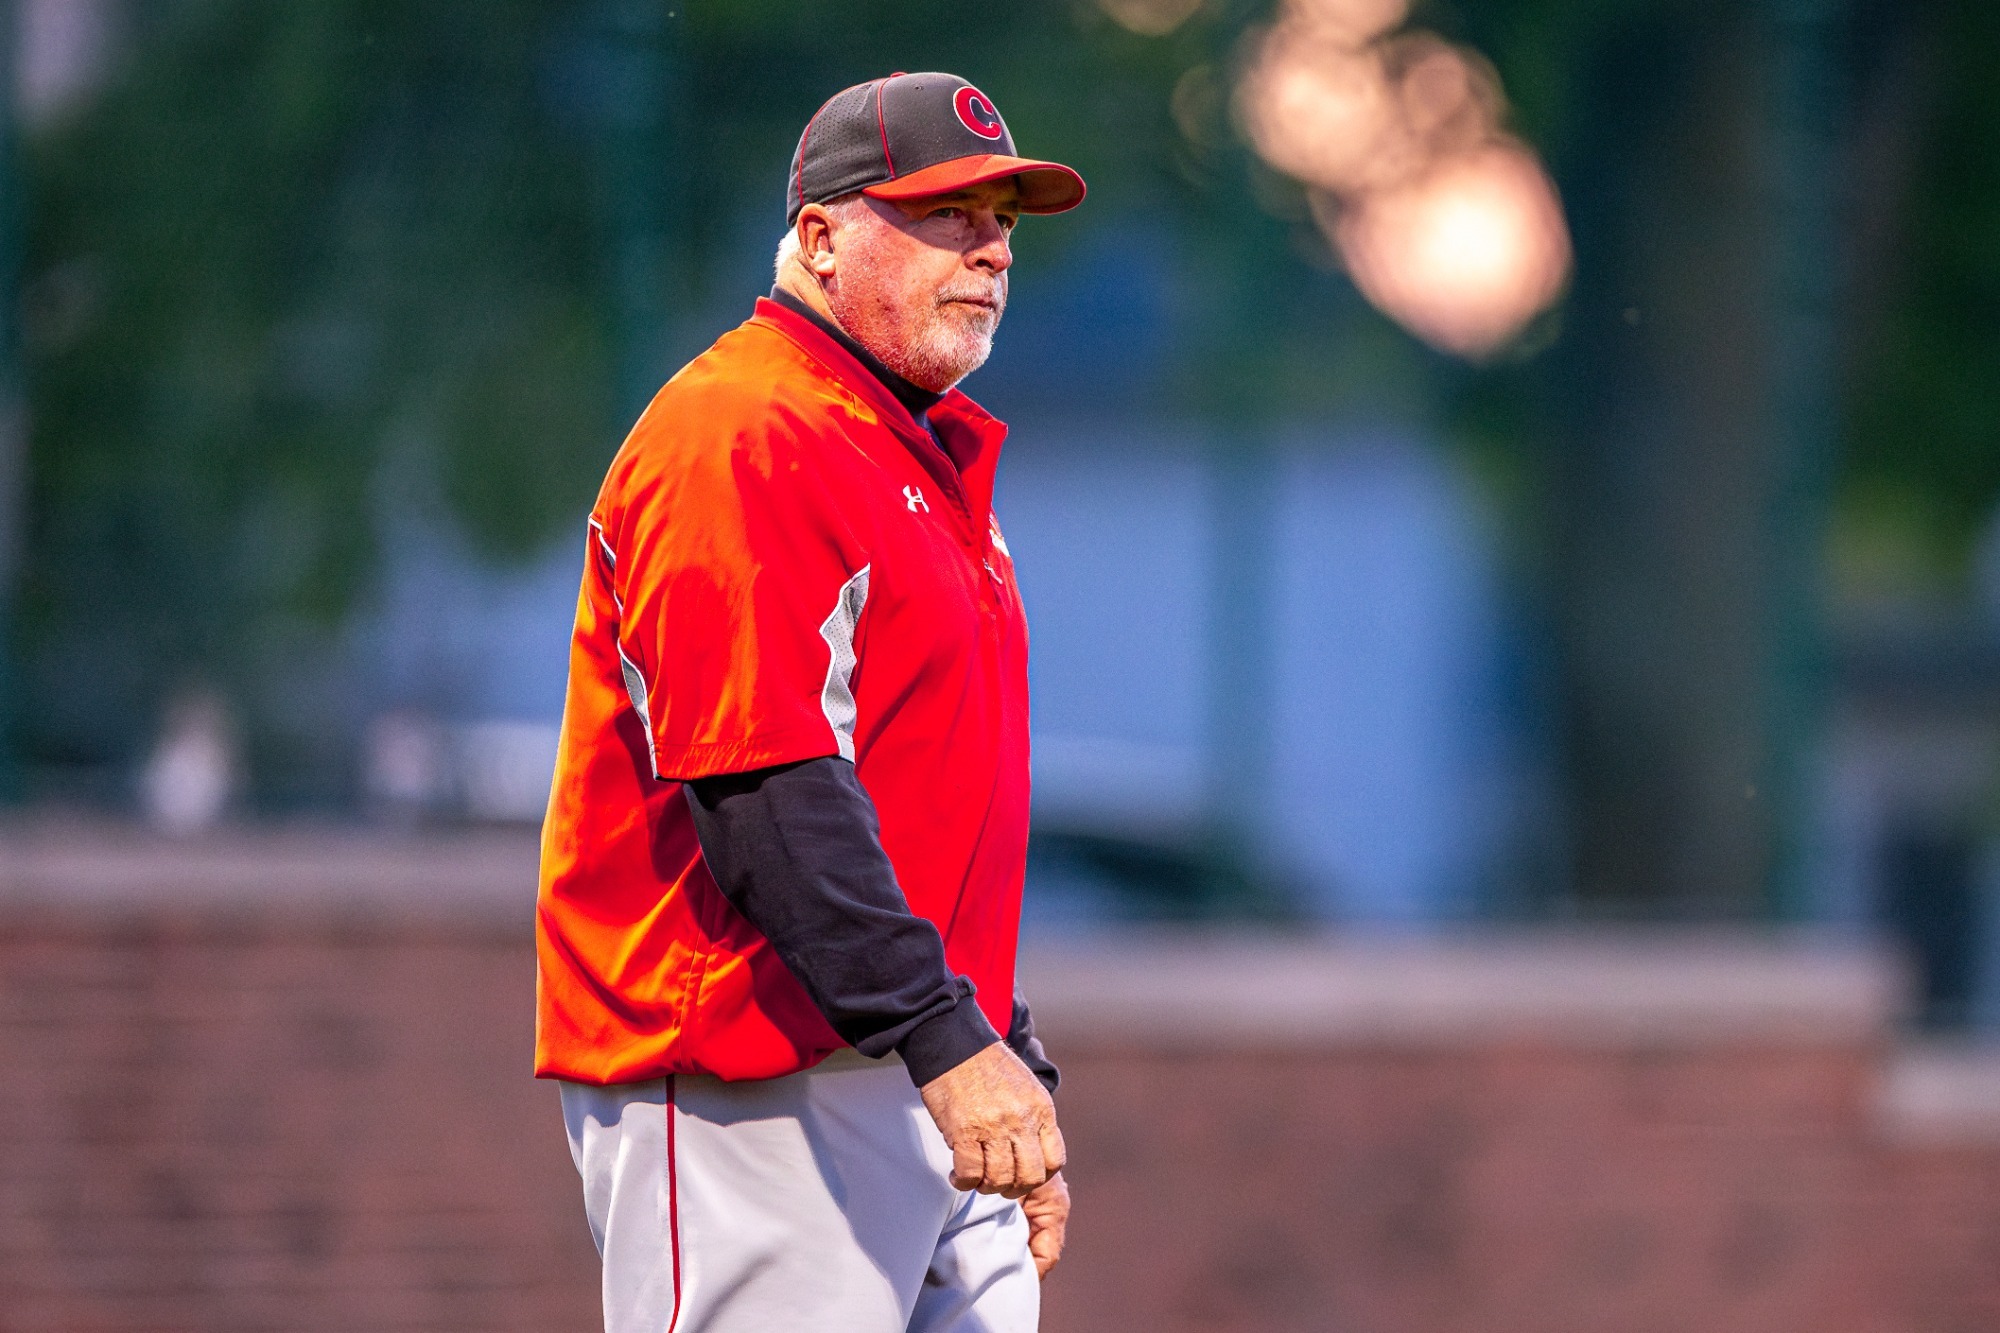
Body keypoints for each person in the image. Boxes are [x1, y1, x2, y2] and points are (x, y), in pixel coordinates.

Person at [534, 72, 1087, 1332]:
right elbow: (762, 785)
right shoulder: (742, 430)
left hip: (901, 1049)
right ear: (822, 237)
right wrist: (951, 1042)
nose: (991, 248)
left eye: (1001, 217)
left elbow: (916, 794)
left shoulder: (902, 450)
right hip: (743, 1069)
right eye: (944, 214)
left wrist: (1001, 1043)